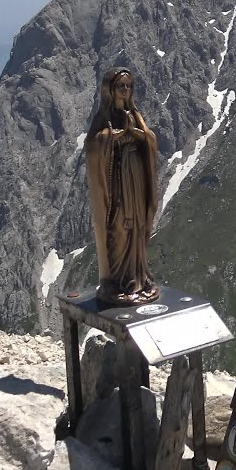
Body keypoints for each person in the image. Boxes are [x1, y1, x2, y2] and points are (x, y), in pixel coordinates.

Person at [85, 67, 160, 306]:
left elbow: (149, 139)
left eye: (128, 86)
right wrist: (114, 136)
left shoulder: (134, 114)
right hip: (117, 178)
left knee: (136, 223)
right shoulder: (104, 119)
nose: (125, 90)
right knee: (119, 223)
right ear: (111, 90)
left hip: (135, 176)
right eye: (121, 86)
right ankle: (117, 277)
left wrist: (137, 134)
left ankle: (137, 276)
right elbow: (95, 144)